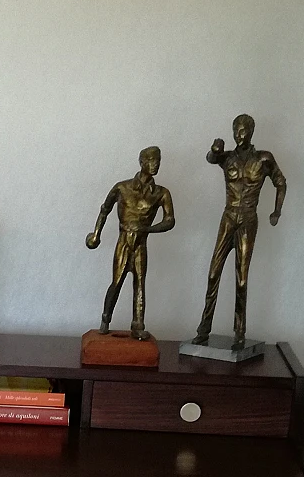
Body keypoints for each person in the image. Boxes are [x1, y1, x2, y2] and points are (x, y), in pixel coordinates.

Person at [193, 114, 286, 349]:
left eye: (243, 130)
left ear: (252, 131)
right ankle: (204, 329)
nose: (239, 135)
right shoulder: (227, 158)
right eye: (236, 130)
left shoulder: (263, 158)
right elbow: (211, 158)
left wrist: (277, 212)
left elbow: (281, 182)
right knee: (213, 272)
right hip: (228, 217)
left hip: (247, 219)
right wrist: (215, 149)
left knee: (241, 279)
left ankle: (240, 332)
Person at [86, 147, 176, 340]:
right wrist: (96, 234)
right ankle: (105, 319)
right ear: (141, 162)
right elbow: (105, 209)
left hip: (141, 243)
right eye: (152, 160)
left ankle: (138, 325)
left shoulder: (161, 193)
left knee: (140, 284)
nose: (156, 164)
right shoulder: (122, 188)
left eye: (158, 160)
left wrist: (147, 229)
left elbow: (170, 221)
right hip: (124, 242)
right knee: (117, 282)